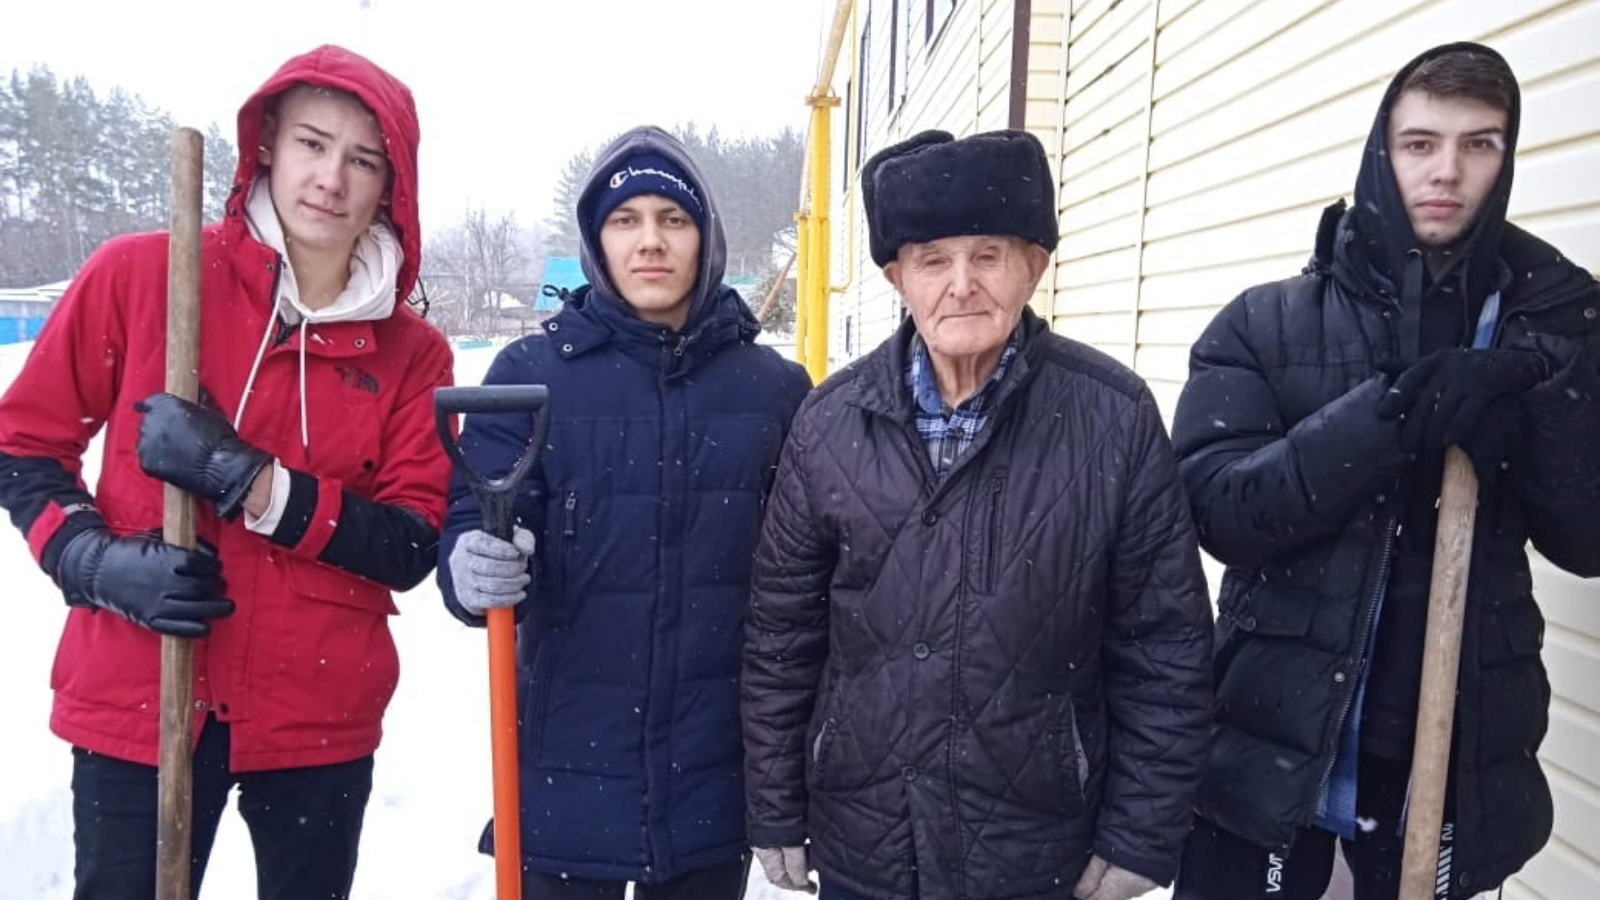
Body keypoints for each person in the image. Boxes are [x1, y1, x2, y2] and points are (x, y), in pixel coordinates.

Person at [0, 45, 451, 900]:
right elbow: (23, 441)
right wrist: (88, 559)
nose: (331, 179)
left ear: (392, 187)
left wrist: (251, 481)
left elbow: (409, 541)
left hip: (318, 708)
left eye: (363, 160)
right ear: (268, 145)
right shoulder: (144, 277)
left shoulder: (410, 354)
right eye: (313, 144)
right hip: (140, 689)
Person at [1169, 43, 1600, 900]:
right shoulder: (1265, 324)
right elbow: (1220, 512)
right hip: (1270, 763)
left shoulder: (1552, 330)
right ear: (1382, 151)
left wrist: (1537, 405)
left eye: (1479, 144)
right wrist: (1387, 419)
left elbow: (1587, 539)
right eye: (1420, 143)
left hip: (1452, 775)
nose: (1447, 171)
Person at [740, 129, 1215, 900]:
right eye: (933, 260)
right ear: (898, 278)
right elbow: (781, 639)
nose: (961, 285)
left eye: (988, 256)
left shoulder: (1112, 418)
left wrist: (1141, 833)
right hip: (867, 837)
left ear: (1034, 266)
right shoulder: (829, 422)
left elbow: (1164, 646)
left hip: (1037, 844)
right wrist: (774, 808)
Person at [439, 125, 812, 900]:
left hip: (713, 776)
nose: (650, 241)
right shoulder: (532, 376)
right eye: (625, 219)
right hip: (567, 770)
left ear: (706, 237)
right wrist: (471, 563)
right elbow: (477, 513)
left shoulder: (773, 390)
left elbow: (806, 573)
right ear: (595, 239)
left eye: (673, 219)